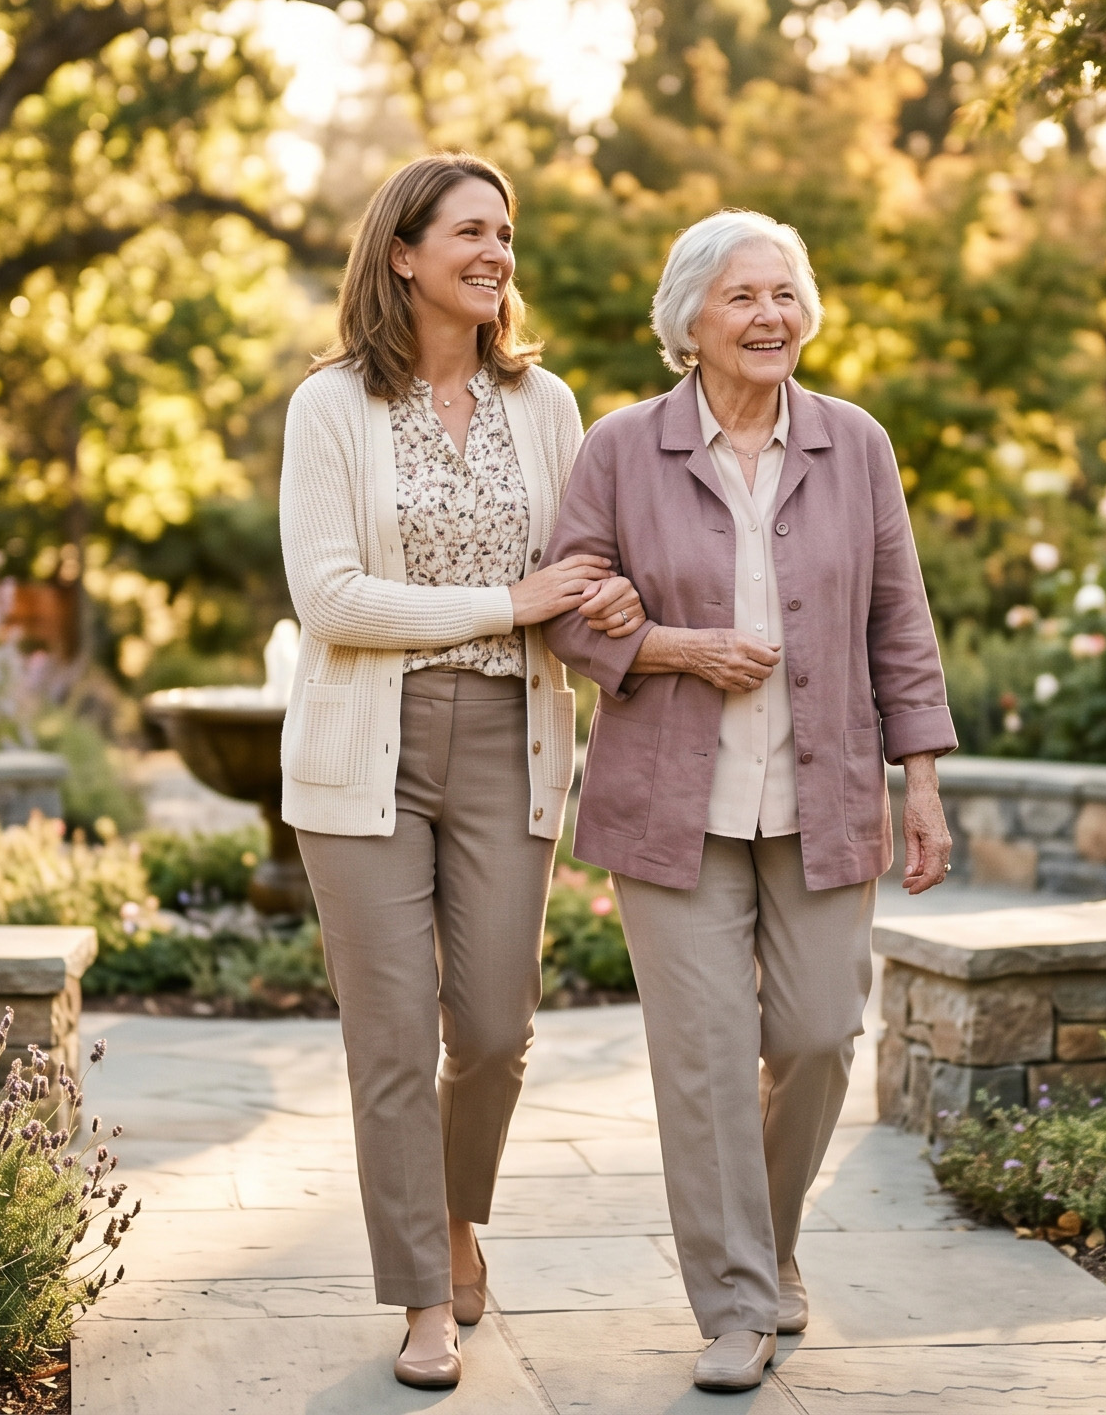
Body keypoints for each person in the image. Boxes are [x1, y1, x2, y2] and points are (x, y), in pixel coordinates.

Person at [542, 209, 956, 1392]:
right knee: (708, 1058)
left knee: (821, 1036)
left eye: (783, 294)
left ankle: (766, 1246)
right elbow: (568, 602)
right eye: (742, 298)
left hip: (822, 791)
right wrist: (670, 646)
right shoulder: (623, 448)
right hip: (671, 805)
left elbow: (899, 619)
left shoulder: (854, 443)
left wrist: (917, 778)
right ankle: (734, 1302)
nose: (769, 316)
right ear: (690, 321)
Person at [277, 152, 643, 1389]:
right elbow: (326, 598)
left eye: (505, 234)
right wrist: (505, 598)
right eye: (469, 232)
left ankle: (457, 1211)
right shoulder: (328, 406)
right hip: (360, 749)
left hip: (510, 738)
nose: (496, 253)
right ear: (402, 253)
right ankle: (423, 1298)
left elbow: (577, 573)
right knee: (389, 1038)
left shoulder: (547, 406)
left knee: (492, 1026)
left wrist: (611, 595)